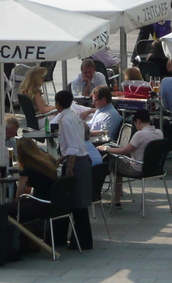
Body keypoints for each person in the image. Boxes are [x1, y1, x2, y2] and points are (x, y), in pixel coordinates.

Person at [50, 90, 93, 248]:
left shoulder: (65, 120)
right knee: (78, 203)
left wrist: (70, 167)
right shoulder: (74, 116)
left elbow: (73, 147)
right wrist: (62, 158)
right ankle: (82, 239)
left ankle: (82, 241)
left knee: (77, 202)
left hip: (77, 162)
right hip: (81, 159)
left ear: (57, 103)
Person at [103, 109, 163, 207]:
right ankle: (119, 193)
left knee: (114, 163)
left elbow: (124, 151)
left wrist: (107, 149)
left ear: (138, 121)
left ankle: (116, 200)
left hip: (138, 168)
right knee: (120, 161)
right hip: (155, 168)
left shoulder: (140, 134)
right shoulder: (159, 133)